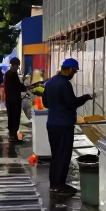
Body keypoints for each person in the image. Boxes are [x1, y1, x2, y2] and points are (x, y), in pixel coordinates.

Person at [42, 58, 94, 194]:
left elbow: (45, 103)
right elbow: (72, 103)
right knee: (64, 155)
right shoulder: (64, 84)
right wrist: (86, 97)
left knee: (56, 155)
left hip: (52, 124)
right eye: (74, 71)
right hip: (63, 125)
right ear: (70, 69)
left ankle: (54, 184)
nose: (74, 74)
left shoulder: (50, 82)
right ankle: (59, 185)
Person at [3, 56, 25, 141]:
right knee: (13, 117)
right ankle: (12, 136)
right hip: (13, 100)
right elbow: (17, 86)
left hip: (12, 100)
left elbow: (18, 85)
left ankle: (13, 135)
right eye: (17, 65)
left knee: (13, 117)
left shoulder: (11, 74)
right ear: (13, 65)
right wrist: (23, 87)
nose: (18, 67)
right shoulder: (10, 74)